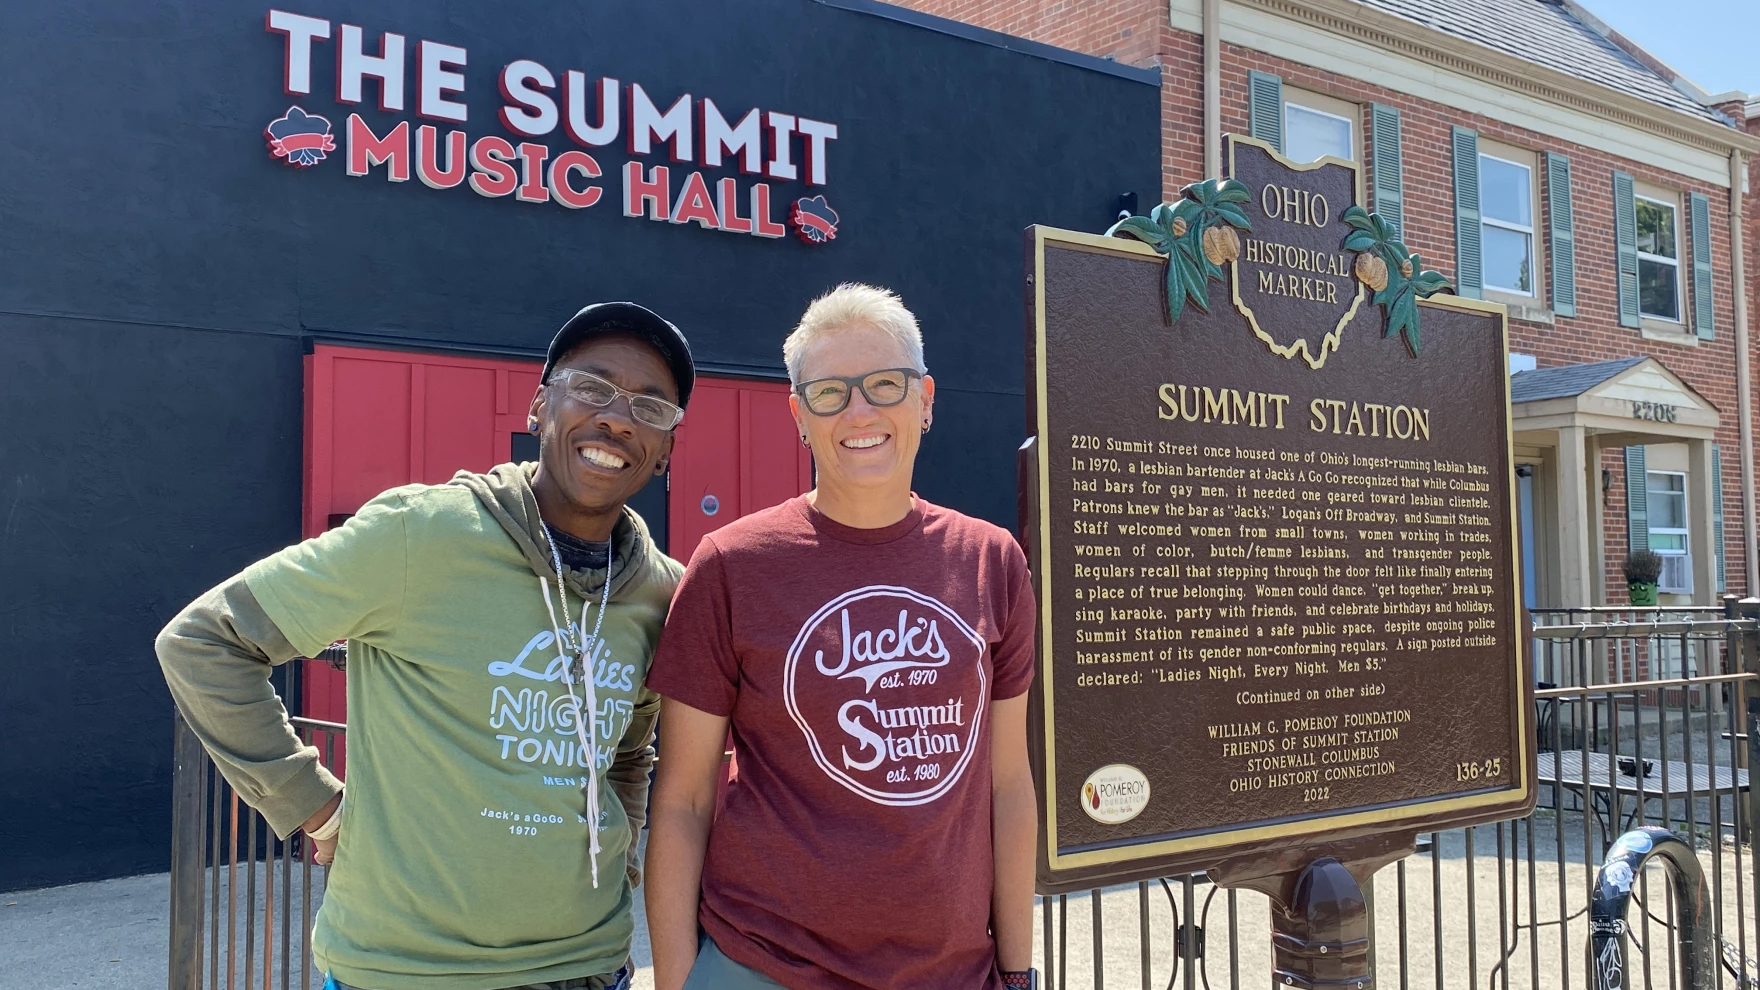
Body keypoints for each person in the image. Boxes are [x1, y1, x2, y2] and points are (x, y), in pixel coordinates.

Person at [156, 302, 694, 990]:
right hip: (404, 971)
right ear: (539, 406)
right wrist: (311, 803)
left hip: (589, 968)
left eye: (651, 407)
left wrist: (618, 859)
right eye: (591, 387)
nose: (618, 418)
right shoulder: (421, 534)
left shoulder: (661, 595)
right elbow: (205, 641)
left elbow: (630, 745)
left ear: (668, 447)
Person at [644, 283, 1040, 990]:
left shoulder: (991, 561)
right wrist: (679, 979)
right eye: (830, 393)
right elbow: (682, 799)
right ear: (800, 415)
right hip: (763, 965)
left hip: (949, 972)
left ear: (925, 399)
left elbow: (1007, 784)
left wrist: (1017, 970)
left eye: (885, 384)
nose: (860, 411)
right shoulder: (732, 565)